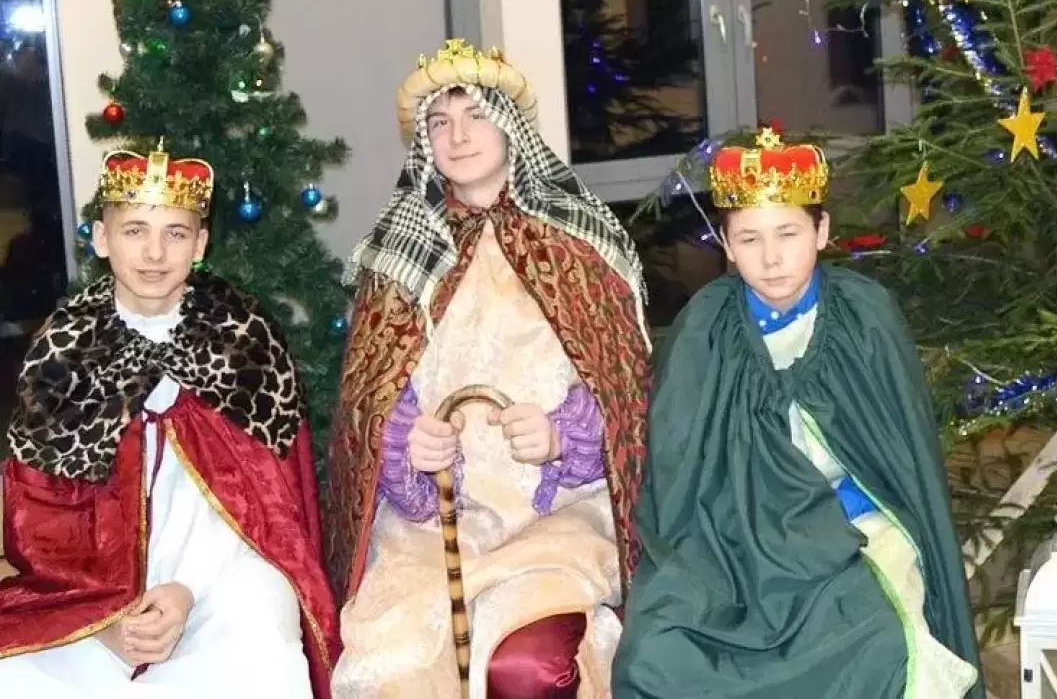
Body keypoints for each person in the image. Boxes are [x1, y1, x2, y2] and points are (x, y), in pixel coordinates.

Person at [325, 39, 650, 698]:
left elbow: (626, 391)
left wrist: (563, 438)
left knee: (521, 667)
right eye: (440, 123)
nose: (458, 136)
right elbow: (371, 397)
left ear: (510, 126)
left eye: (476, 115)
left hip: (557, 523)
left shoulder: (580, 245)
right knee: (400, 667)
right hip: (434, 529)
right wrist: (407, 446)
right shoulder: (399, 256)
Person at [612, 129, 983, 698]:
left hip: (854, 526)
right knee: (656, 652)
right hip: (730, 536)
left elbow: (899, 458)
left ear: (822, 231)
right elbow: (678, 470)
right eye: (750, 238)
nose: (771, 258)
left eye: (788, 233)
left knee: (877, 643)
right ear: (726, 245)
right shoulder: (704, 328)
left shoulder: (864, 316)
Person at [0, 141, 340, 698]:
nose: (154, 253)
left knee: (262, 639)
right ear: (102, 238)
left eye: (175, 234)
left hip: (224, 567)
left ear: (200, 244)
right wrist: (101, 618)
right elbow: (39, 518)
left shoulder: (242, 340)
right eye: (135, 230)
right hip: (90, 587)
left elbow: (271, 505)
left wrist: (188, 589)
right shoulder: (65, 350)